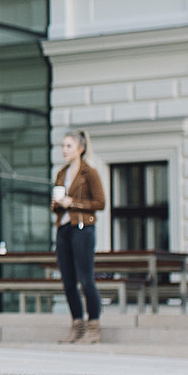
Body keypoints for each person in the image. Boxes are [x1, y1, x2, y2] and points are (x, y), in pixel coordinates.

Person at [53, 129, 106, 344]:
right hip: (64, 228)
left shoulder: (89, 173)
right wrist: (57, 205)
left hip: (83, 228)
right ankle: (77, 324)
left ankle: (93, 325)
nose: (64, 150)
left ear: (80, 149)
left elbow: (100, 203)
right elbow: (57, 207)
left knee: (85, 279)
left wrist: (72, 203)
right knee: (67, 281)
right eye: (63, 146)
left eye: (68, 146)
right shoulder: (61, 173)